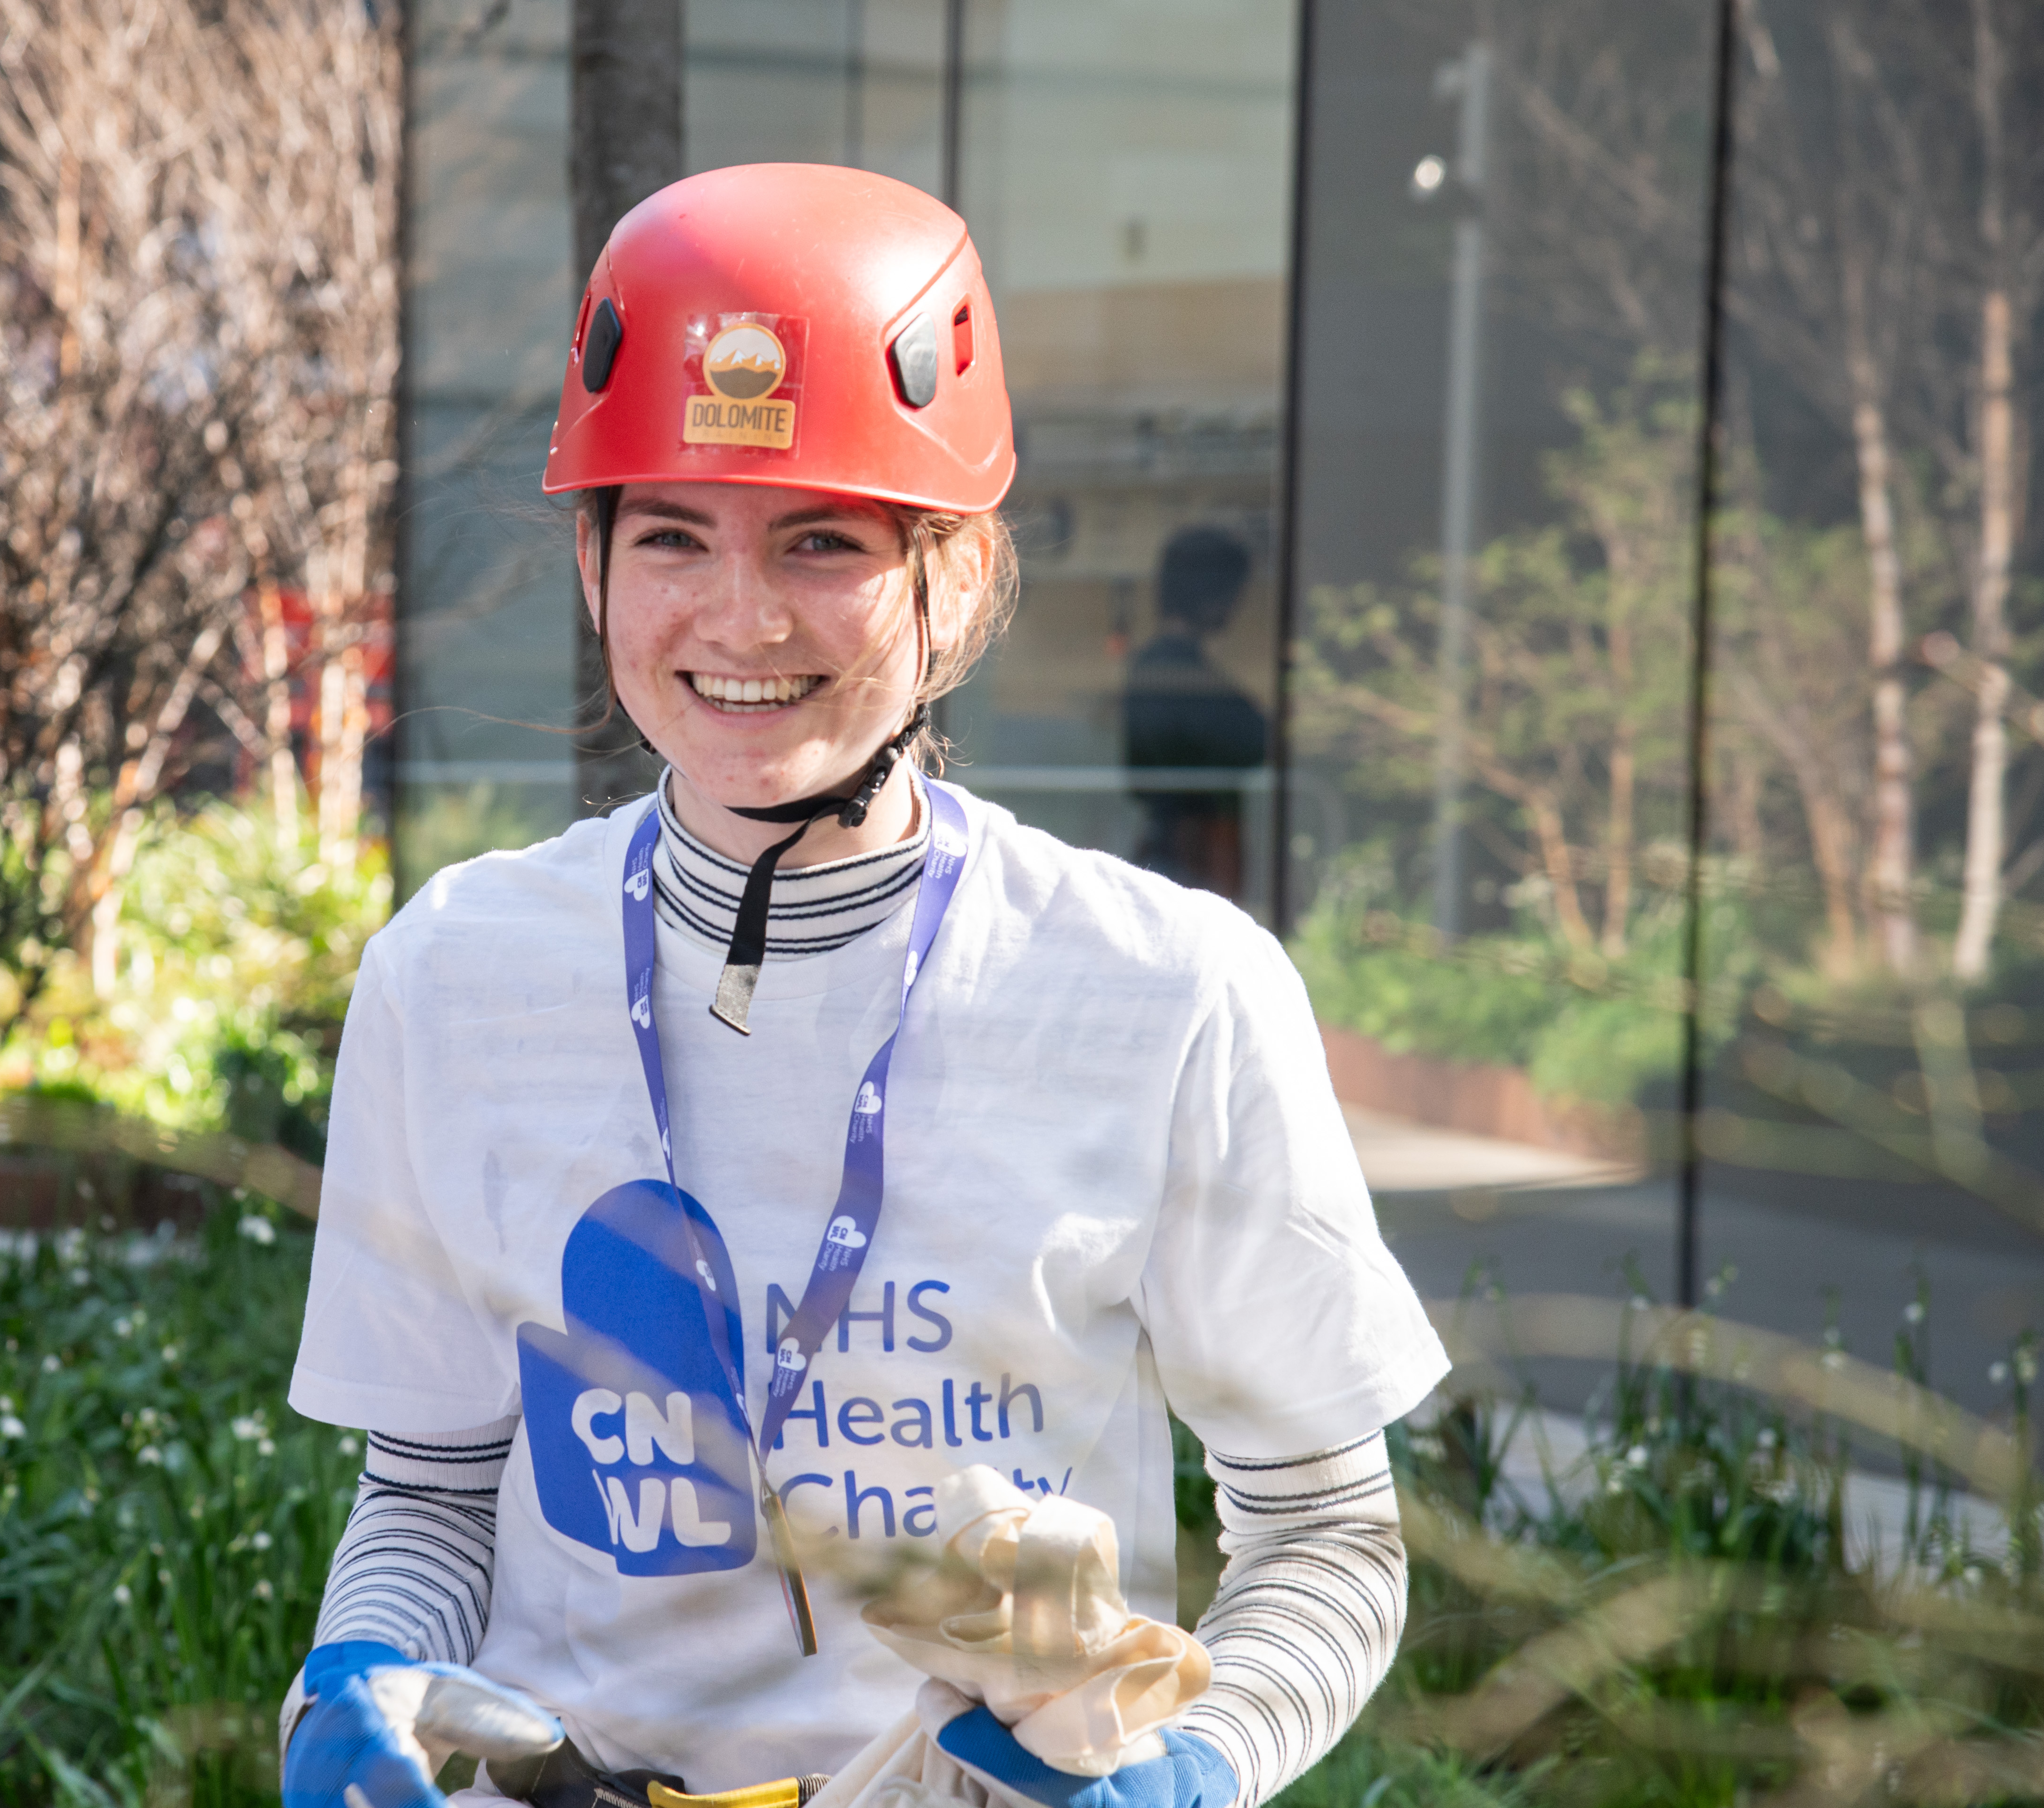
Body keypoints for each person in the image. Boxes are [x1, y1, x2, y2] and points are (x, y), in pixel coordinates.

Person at [279, 163, 1446, 1808]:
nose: (738, 616)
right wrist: (354, 1677)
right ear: (592, 563)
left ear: (951, 576)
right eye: (670, 534)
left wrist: (1196, 1764)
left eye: (820, 540)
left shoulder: (1166, 992)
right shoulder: (454, 977)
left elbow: (1324, 1533)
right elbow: (428, 1496)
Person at [1122, 529, 1268, 900]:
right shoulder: (1175, 672)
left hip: (1178, 844)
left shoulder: (1159, 666)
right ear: (1214, 597)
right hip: (1189, 850)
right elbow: (1250, 739)